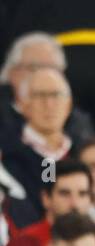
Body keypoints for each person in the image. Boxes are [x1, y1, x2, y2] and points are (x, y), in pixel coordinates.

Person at [0, 66, 75, 215]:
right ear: (22, 104)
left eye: (56, 95)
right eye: (39, 95)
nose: (49, 104)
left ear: (69, 104)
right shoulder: (7, 156)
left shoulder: (86, 153)